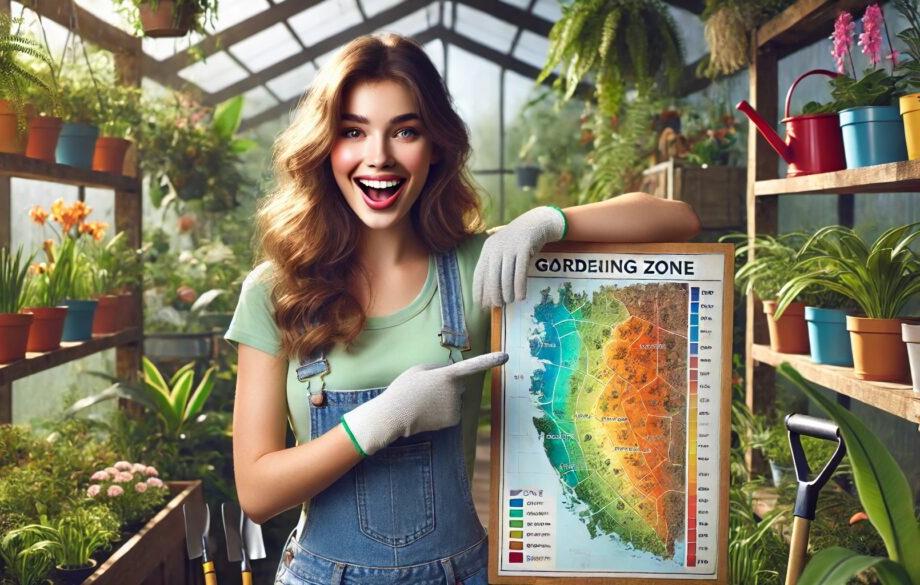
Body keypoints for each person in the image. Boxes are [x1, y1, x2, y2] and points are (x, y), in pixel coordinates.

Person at [227, 33, 700, 585]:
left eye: (405, 130)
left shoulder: (480, 265)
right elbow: (257, 493)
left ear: (437, 147)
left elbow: (677, 219)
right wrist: (382, 419)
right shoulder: (277, 291)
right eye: (353, 131)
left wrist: (548, 221)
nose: (378, 156)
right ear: (325, 145)